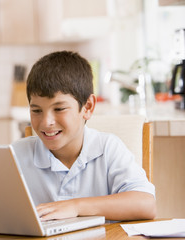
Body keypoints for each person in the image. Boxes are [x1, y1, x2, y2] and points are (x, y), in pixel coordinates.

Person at [11, 51, 156, 221]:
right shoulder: (15, 155)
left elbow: (146, 204)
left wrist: (75, 206)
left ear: (87, 107)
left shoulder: (108, 148)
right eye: (36, 111)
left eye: (59, 109)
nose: (46, 122)